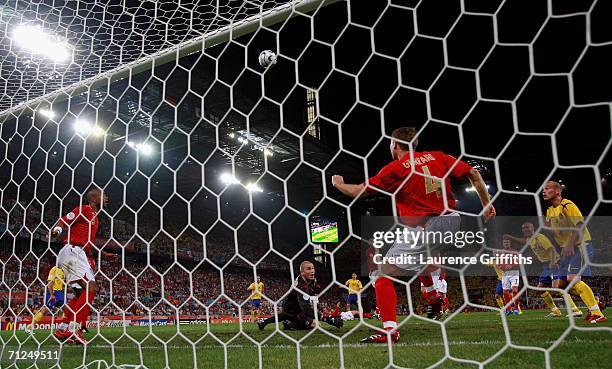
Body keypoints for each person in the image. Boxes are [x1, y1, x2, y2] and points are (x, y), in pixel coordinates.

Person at [332, 127, 495, 343]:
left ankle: (390, 331)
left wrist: (339, 183)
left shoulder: (396, 168)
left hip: (429, 225)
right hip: (452, 221)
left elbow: (357, 192)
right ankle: (433, 297)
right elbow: (473, 174)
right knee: (422, 260)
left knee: (380, 276)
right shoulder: (438, 156)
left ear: (394, 144)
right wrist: (487, 205)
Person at [51, 188, 117, 344]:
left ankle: (62, 328)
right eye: (103, 195)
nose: (106, 198)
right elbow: (65, 219)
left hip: (78, 253)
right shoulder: (85, 209)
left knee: (80, 294)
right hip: (73, 251)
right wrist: (56, 231)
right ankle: (74, 330)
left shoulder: (95, 218)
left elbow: (88, 242)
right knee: (91, 287)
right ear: (94, 199)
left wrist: (104, 254)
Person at [542, 181, 606, 323]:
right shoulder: (549, 211)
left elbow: (580, 224)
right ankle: (594, 301)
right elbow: (556, 231)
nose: (543, 191)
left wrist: (570, 244)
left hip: (580, 245)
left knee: (572, 279)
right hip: (567, 249)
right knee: (561, 286)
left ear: (557, 191)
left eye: (547, 188)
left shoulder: (567, 205)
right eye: (543, 189)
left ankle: (597, 313)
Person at [504, 222, 581, 317]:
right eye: (523, 228)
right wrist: (511, 237)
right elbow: (523, 241)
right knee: (540, 289)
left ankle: (575, 309)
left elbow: (552, 249)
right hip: (546, 266)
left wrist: (553, 262)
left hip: (554, 264)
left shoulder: (539, 237)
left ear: (533, 228)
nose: (525, 230)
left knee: (557, 288)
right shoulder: (530, 239)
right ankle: (555, 311)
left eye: (527, 228)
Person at [257, 261, 343, 330]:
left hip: (298, 306)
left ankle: (266, 322)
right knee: (316, 325)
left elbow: (314, 295)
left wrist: (320, 308)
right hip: (292, 308)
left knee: (286, 316)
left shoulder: (312, 280)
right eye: (308, 269)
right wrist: (327, 319)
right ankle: (291, 324)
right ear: (302, 272)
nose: (312, 271)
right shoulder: (301, 286)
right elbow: (306, 309)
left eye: (313, 268)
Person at [26, 266, 65, 334]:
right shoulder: (53, 269)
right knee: (45, 310)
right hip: (53, 292)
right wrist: (51, 294)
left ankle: (63, 328)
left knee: (66, 310)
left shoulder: (63, 270)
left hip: (60, 293)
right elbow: (49, 283)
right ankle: (29, 327)